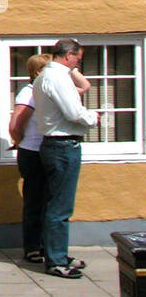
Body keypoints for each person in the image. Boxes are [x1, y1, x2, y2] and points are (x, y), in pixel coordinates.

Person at [31, 38, 99, 278]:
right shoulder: (58, 77)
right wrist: (93, 118)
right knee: (60, 207)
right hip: (63, 146)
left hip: (54, 145)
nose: (77, 63)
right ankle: (57, 260)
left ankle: (55, 252)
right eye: (77, 59)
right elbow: (73, 112)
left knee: (53, 203)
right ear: (69, 55)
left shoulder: (45, 76)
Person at [8, 53, 53, 263]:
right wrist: (21, 141)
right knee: (35, 201)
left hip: (42, 151)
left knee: (48, 201)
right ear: (37, 72)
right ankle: (33, 247)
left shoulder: (44, 91)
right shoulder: (30, 92)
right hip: (32, 152)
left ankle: (46, 245)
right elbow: (15, 124)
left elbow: (84, 86)